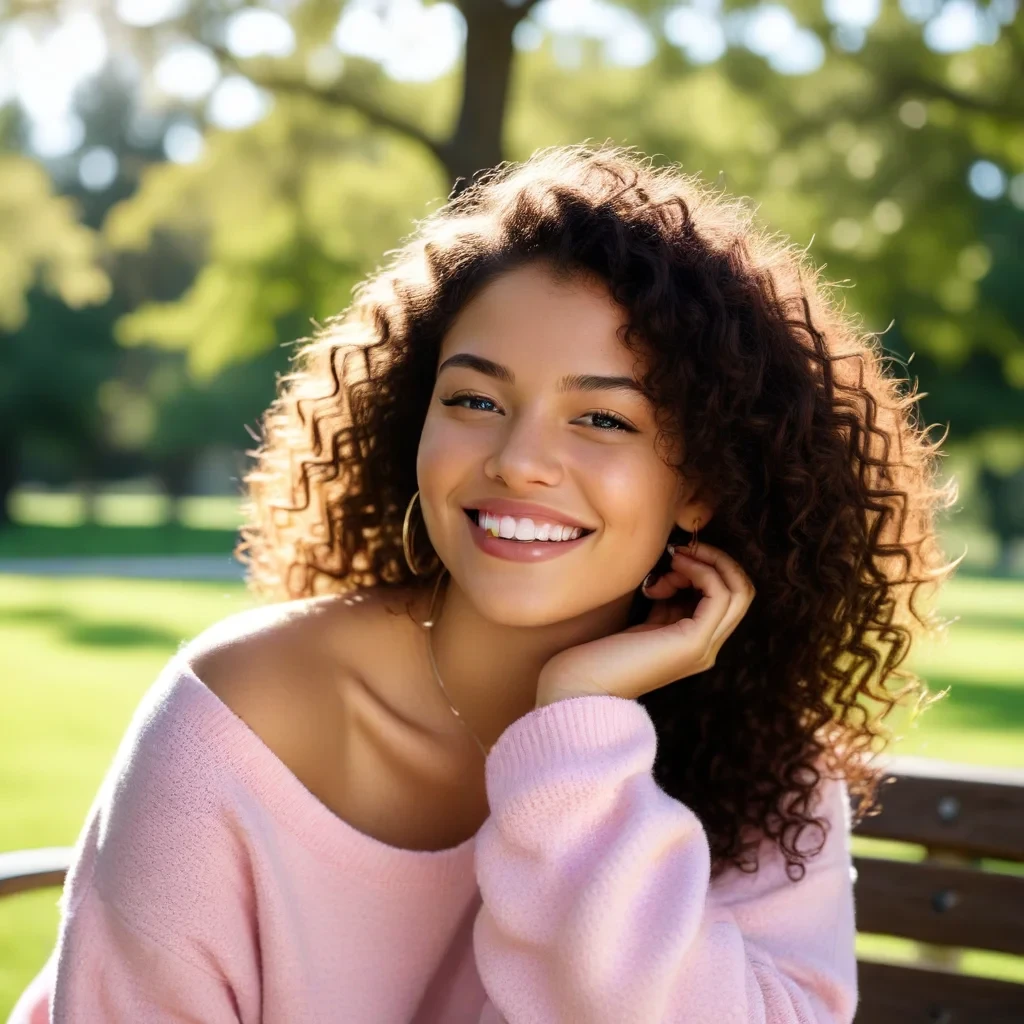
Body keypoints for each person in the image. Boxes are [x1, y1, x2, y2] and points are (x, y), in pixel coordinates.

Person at [9, 143, 961, 1024]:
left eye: (604, 420)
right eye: (475, 400)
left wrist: (580, 738)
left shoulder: (764, 770)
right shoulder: (243, 715)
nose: (519, 461)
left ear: (702, 485)